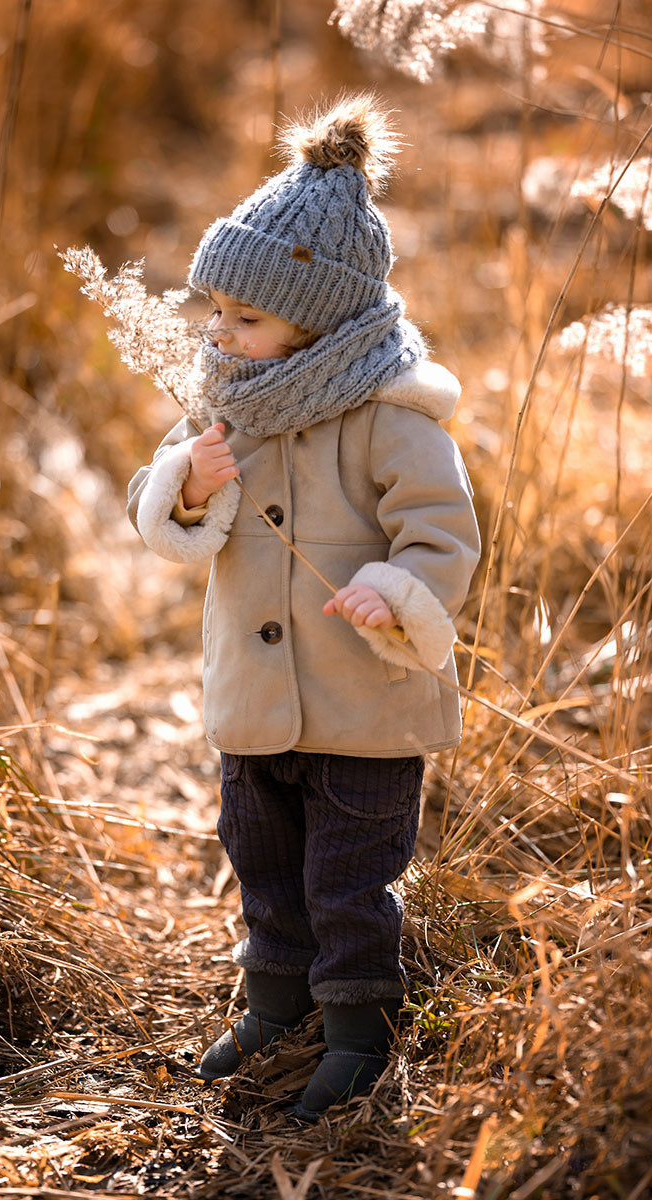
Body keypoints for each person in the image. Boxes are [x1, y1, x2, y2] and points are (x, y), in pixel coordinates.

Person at [126, 93, 480, 1121]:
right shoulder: (225, 402)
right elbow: (162, 509)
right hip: (253, 699)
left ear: (320, 317)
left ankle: (360, 1032)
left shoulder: (392, 417)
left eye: (243, 315)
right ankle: (274, 1001)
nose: (218, 333)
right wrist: (185, 483)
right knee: (264, 857)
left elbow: (444, 534)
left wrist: (398, 589)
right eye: (214, 312)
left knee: (348, 878)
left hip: (361, 702)